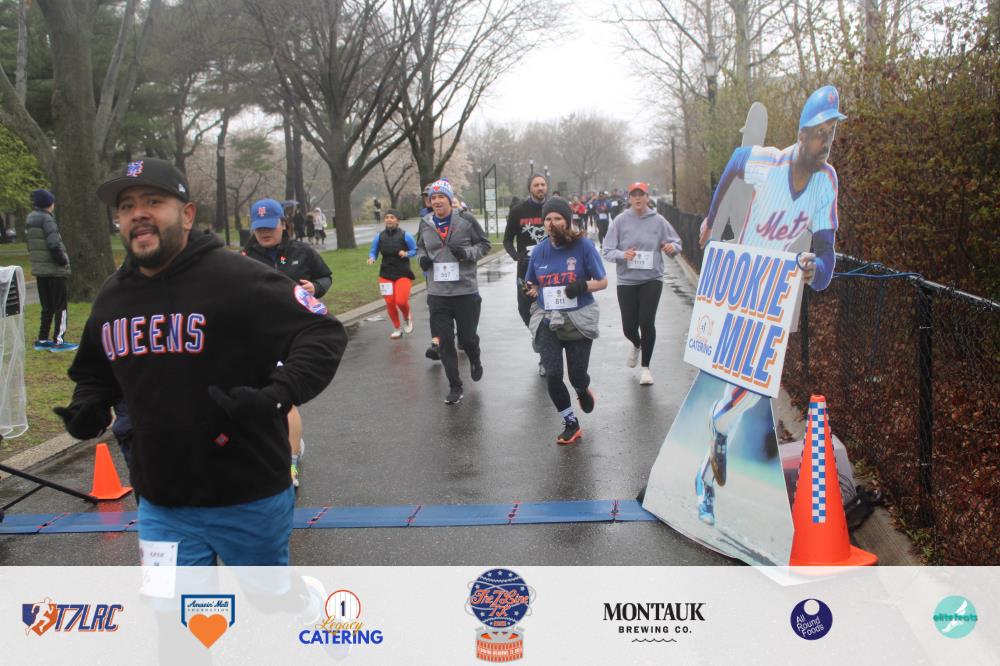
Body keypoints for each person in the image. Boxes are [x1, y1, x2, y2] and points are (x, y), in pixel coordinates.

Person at [55, 158, 347, 565]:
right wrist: (89, 403)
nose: (138, 213)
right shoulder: (113, 297)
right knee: (178, 607)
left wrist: (278, 394)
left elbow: (321, 331)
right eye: (126, 206)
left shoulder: (237, 278)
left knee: (263, 599)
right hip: (161, 502)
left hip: (249, 496)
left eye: (153, 201)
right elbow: (95, 370)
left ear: (187, 214)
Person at [693, 85, 844, 526]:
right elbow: (735, 162)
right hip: (740, 283)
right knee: (744, 387)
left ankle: (711, 461)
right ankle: (709, 475)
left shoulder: (826, 181)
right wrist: (710, 219)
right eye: (820, 133)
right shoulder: (769, 162)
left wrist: (819, 270)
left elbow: (826, 250)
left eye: (832, 133)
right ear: (801, 134)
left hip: (772, 297)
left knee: (750, 392)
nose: (826, 141)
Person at [243, 197, 334, 490]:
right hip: (257, 338)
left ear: (283, 224)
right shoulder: (243, 258)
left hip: (294, 334)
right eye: (259, 228)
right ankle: (276, 450)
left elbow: (325, 277)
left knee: (285, 399)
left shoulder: (301, 252)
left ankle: (290, 462)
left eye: (269, 227)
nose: (264, 233)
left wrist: (315, 287)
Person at [524, 197, 607, 444]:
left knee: (576, 376)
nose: (552, 223)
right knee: (553, 374)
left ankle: (581, 388)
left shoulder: (583, 246)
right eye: (548, 219)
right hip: (548, 318)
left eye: (558, 218)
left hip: (578, 318)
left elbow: (602, 281)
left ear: (567, 221)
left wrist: (581, 286)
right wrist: (530, 289)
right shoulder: (539, 251)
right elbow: (532, 282)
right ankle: (571, 422)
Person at [416, 178, 490, 405]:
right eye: (433, 198)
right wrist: (422, 260)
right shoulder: (425, 223)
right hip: (438, 294)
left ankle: (475, 357)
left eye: (441, 197)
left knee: (466, 339)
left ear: (450, 199)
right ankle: (455, 386)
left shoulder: (466, 220)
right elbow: (420, 248)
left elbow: (484, 245)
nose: (437, 201)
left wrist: (466, 254)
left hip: (465, 291)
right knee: (445, 342)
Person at [602, 181, 682, 386]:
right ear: (629, 199)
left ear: (647, 197)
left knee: (647, 322)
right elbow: (607, 250)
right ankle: (637, 344)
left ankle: (646, 368)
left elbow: (676, 243)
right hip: (626, 280)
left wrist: (671, 248)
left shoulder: (658, 221)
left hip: (651, 279)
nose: (638, 198)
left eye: (641, 194)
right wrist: (623, 254)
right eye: (634, 195)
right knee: (629, 327)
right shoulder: (620, 221)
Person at [503, 173, 549, 376]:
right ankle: (537, 335)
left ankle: (545, 356)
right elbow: (507, 240)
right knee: (524, 309)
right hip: (525, 271)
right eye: (536, 185)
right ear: (530, 188)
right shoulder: (518, 211)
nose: (540, 188)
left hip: (549, 271)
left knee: (547, 312)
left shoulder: (553, 208)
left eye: (543, 184)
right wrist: (515, 255)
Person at [26, 189, 78, 352]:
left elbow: (31, 245)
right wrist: (63, 261)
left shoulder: (30, 218)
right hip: (54, 270)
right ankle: (59, 340)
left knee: (46, 306)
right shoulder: (47, 219)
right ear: (49, 203)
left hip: (40, 270)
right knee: (60, 306)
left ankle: (42, 339)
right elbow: (54, 244)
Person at [367, 208, 416, 338]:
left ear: (397, 220)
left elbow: (415, 250)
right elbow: (373, 251)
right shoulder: (379, 236)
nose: (389, 219)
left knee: (401, 301)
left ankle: (407, 317)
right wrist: (372, 257)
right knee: (389, 302)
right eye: (387, 217)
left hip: (402, 273)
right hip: (386, 273)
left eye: (392, 217)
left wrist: (406, 253)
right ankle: (397, 328)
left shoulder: (405, 235)